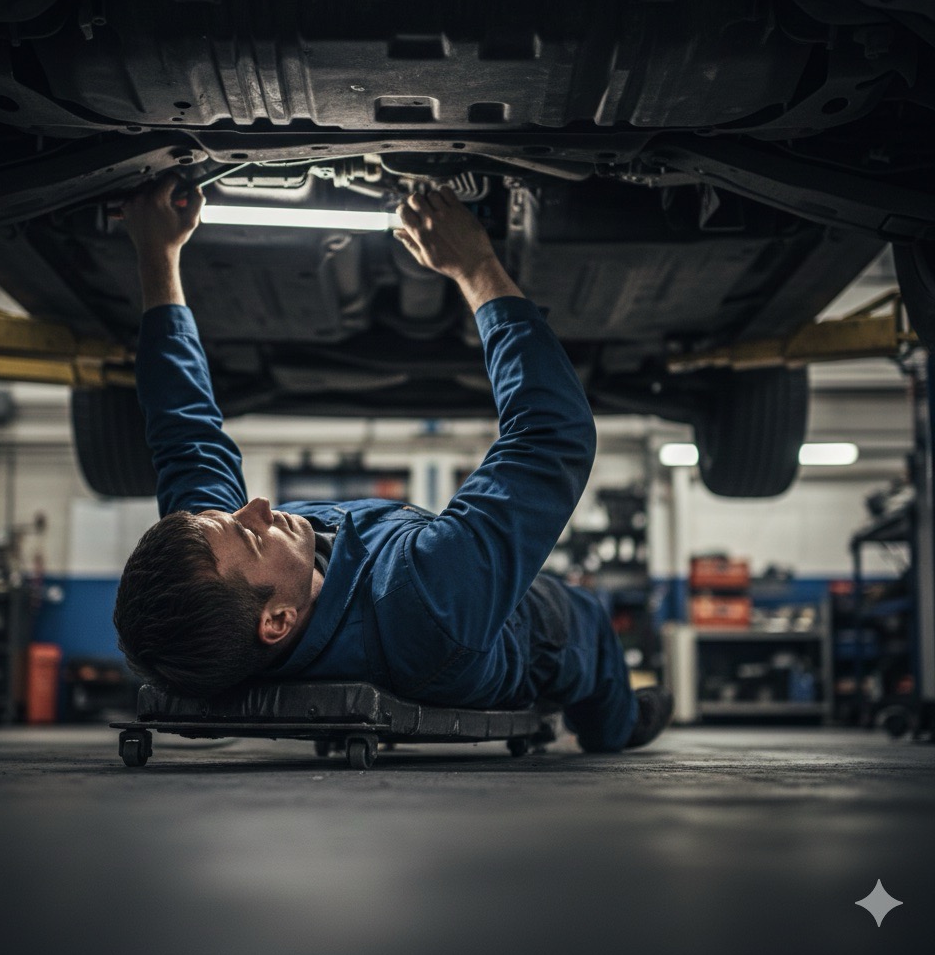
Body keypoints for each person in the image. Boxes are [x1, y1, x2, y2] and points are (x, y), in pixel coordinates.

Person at [113, 175, 672, 751]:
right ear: (277, 621)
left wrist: (158, 253)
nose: (254, 508)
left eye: (233, 521)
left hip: (413, 598)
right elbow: (553, 433)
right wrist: (476, 266)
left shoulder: (212, 569)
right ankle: (618, 725)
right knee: (586, 625)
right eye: (252, 538)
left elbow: (184, 428)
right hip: (523, 632)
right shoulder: (423, 597)